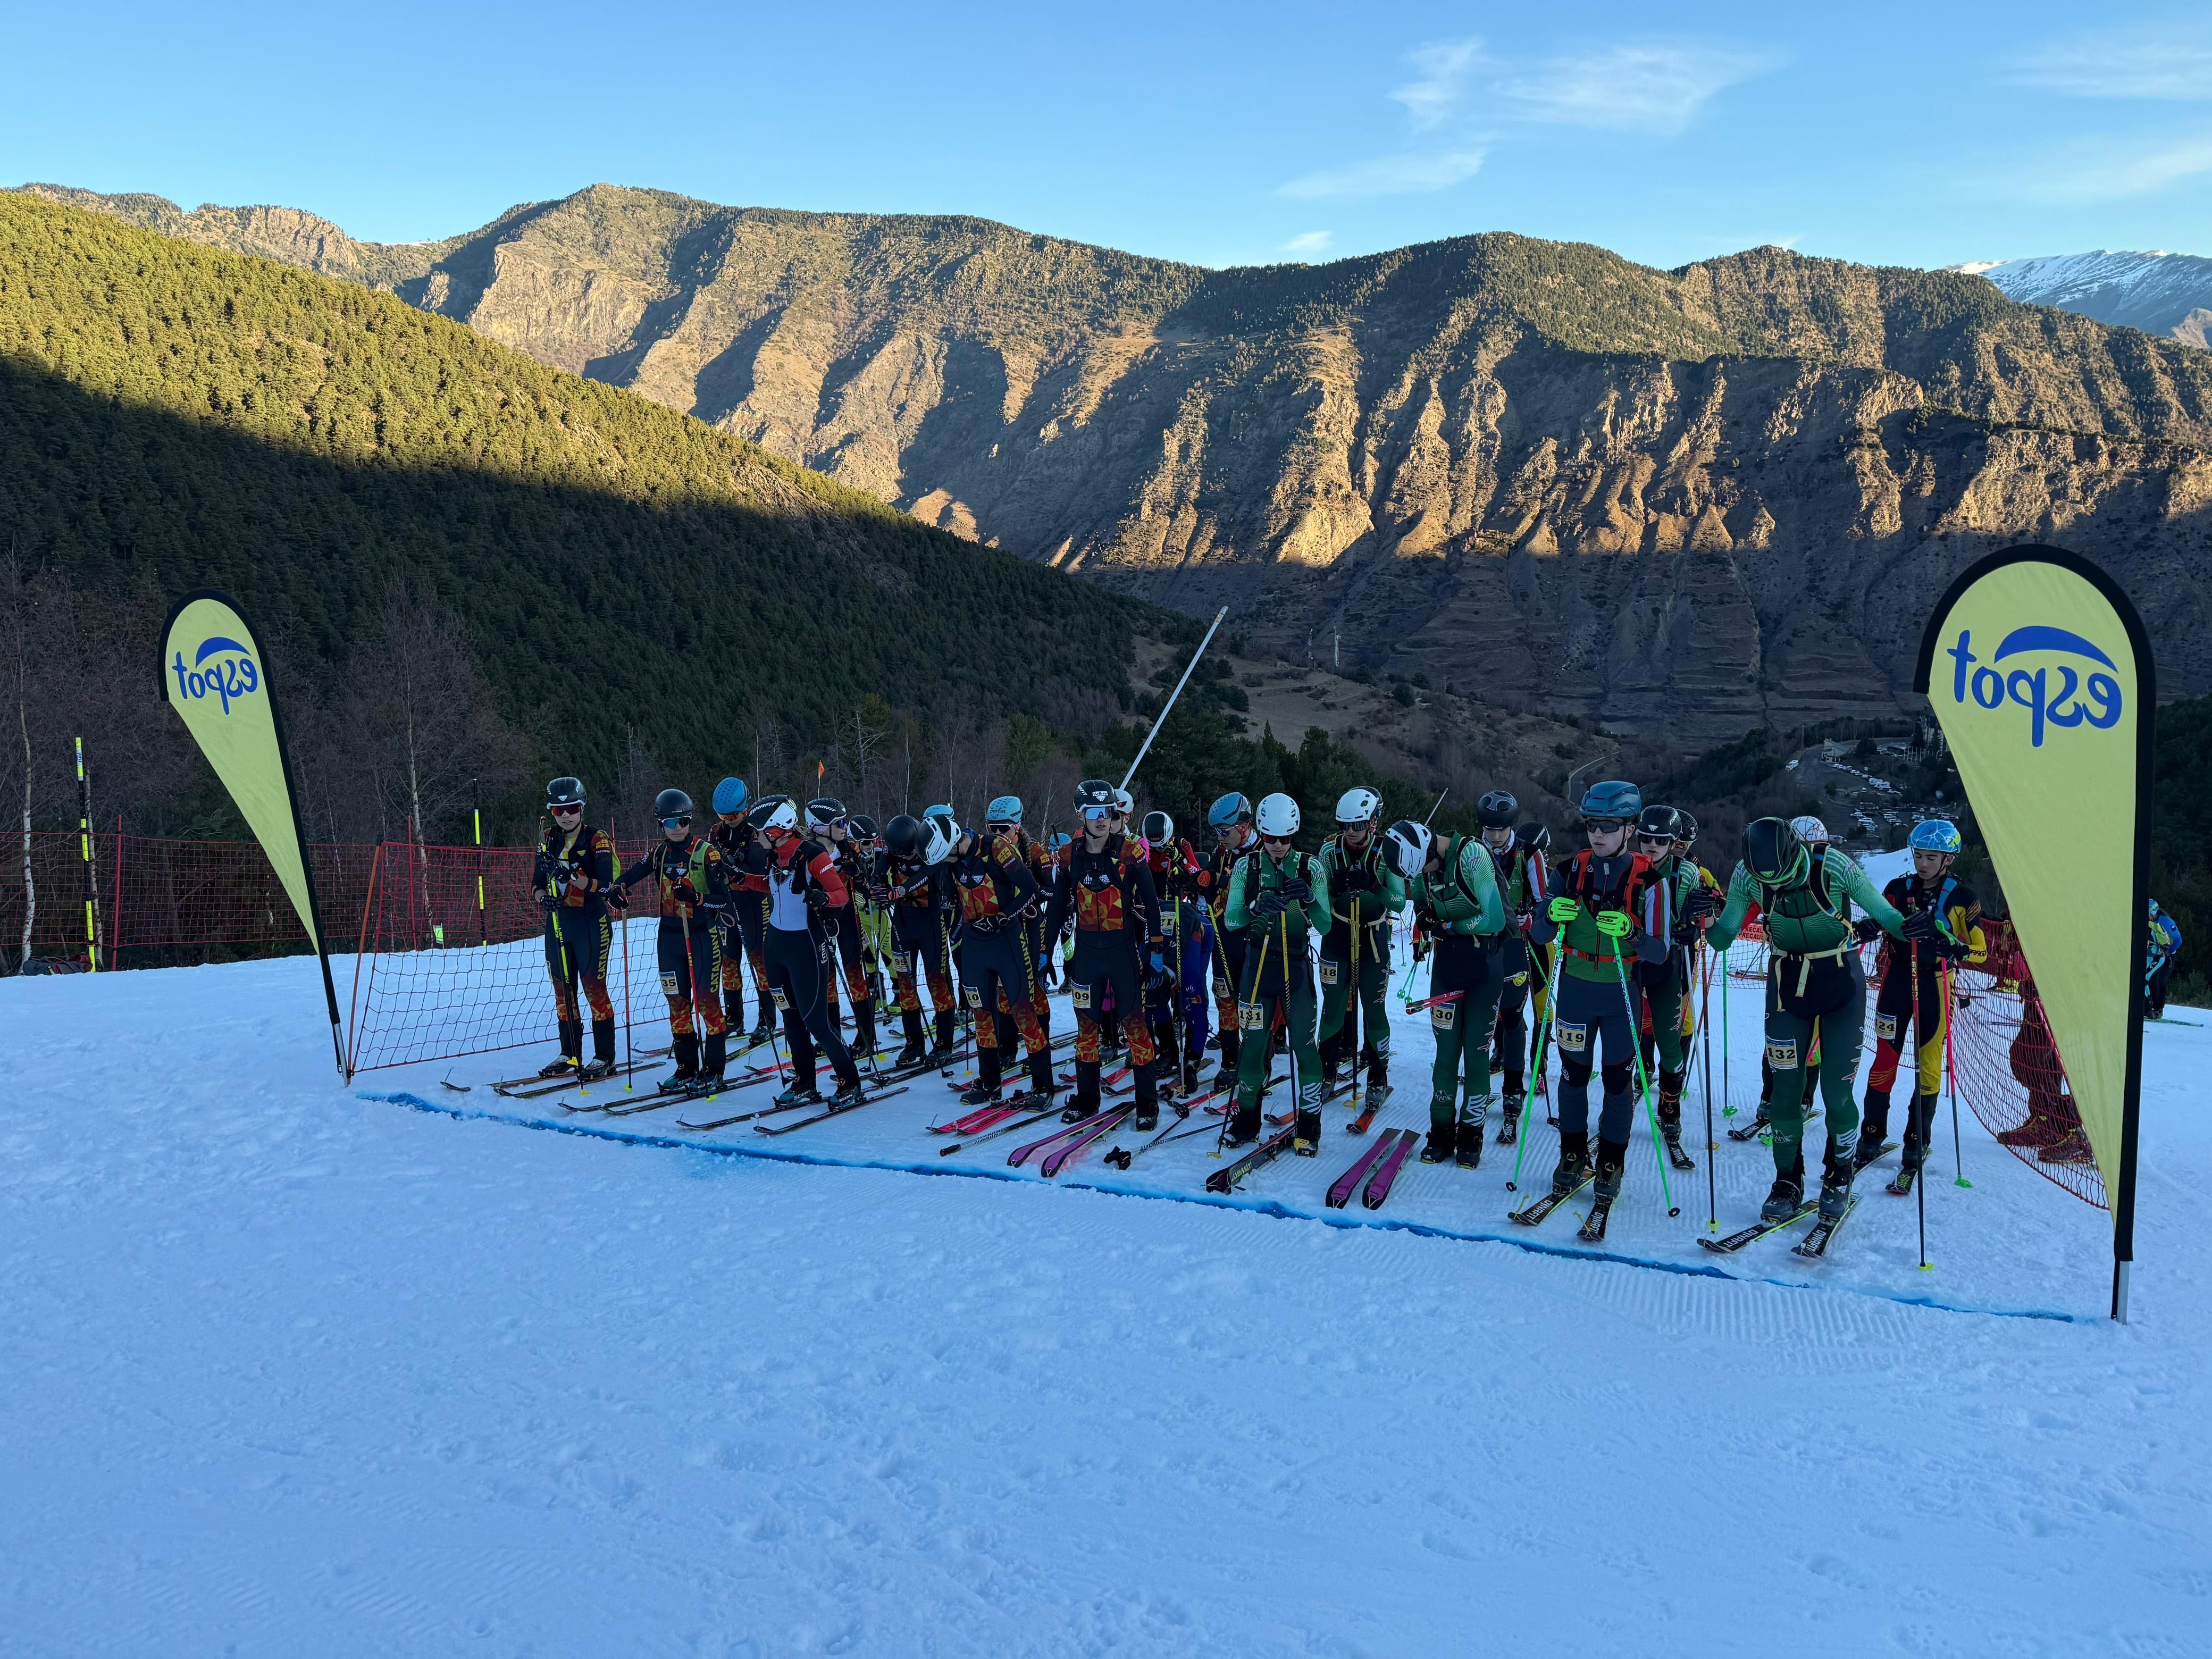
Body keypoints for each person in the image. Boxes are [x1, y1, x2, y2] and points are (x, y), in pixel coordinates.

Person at [1700, 816, 1915, 1225]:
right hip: (1786, 985)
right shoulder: (1748, 875)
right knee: (1785, 1091)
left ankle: (1839, 1174)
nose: (1775, 889)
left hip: (1840, 981)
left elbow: (1888, 918)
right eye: (1770, 884)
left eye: (1781, 879)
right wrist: (1707, 918)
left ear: (1795, 854)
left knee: (1836, 1092)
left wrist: (1920, 929)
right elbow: (1724, 937)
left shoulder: (1834, 866)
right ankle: (1787, 1180)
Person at [1527, 783, 1671, 1218]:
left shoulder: (1651, 880)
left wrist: (1632, 933)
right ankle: (1571, 1155)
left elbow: (1660, 952)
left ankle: (1611, 1162)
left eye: (1609, 826)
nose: (1598, 834)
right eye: (1592, 825)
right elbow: (1538, 935)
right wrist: (1548, 915)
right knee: (1572, 1076)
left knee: (1615, 1082)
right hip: (1574, 989)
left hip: (1621, 993)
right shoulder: (1568, 871)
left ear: (1629, 828)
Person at [1859, 818, 1984, 1180]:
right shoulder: (1898, 888)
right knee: (1885, 1058)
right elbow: (1879, 918)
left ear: (1949, 859)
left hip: (1936, 985)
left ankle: (1917, 1141)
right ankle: (1871, 1136)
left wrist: (1949, 943)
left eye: (1932, 857)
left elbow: (1980, 951)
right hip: (1897, 981)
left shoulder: (1964, 898)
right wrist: (1869, 926)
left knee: (1929, 1064)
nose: (1923, 863)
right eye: (1918, 855)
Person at [1043, 781, 1168, 1129]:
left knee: (1135, 1026)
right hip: (1086, 956)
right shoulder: (1069, 856)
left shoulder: (1130, 852)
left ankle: (1147, 1104)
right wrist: (1044, 950)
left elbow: (1153, 905)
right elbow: (1055, 909)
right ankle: (1086, 1100)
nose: (1102, 820)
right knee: (1087, 1029)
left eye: (1108, 813)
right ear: (1082, 815)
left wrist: (1156, 948)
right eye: (1095, 813)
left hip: (1122, 953)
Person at [1392, 802, 1510, 1166]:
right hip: (1447, 966)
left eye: (1424, 867)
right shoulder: (1420, 867)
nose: (1423, 875)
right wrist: (1427, 917)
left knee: (1475, 1055)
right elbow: (1423, 901)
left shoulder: (1472, 856)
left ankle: (1472, 1134)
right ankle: (1441, 1131)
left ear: (1431, 849)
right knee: (1444, 1056)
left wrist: (1452, 927)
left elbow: (1495, 917)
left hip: (1483, 968)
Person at [1222, 793, 1330, 1152]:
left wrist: (1311, 899)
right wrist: (1254, 907)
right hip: (1258, 970)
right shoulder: (1246, 867)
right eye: (1271, 838)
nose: (1280, 845)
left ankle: (1310, 1124)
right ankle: (1247, 1119)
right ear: (1261, 834)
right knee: (1252, 1047)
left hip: (1296, 969)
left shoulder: (1311, 867)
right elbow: (1231, 919)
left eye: (1286, 838)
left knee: (1303, 1046)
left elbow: (1327, 926)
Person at [605, 787, 732, 1090]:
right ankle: (686, 1067)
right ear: (660, 824)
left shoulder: (706, 852)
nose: (678, 829)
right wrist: (618, 890)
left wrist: (697, 897)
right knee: (677, 1003)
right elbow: (631, 875)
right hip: (669, 938)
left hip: (702, 936)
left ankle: (713, 1069)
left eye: (684, 821)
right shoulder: (659, 853)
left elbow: (723, 900)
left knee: (707, 1002)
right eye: (671, 823)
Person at [753, 795, 866, 1107]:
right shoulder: (774, 856)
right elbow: (772, 886)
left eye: (759, 831)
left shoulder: (813, 854)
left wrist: (822, 898)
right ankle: (804, 1081)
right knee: (790, 1018)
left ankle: (850, 1083)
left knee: (817, 1022)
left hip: (806, 946)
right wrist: (740, 879)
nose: (756, 836)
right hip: (775, 946)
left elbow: (841, 894)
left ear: (776, 830)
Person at [944, 808, 1057, 1107]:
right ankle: (990, 1083)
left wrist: (1004, 916)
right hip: (975, 945)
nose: (945, 864)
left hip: (1008, 941)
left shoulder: (997, 848)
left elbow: (1033, 888)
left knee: (1023, 1010)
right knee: (982, 1014)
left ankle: (1043, 1085)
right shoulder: (949, 859)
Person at [1314, 787, 1405, 1112]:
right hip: (1337, 937)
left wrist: (1374, 885)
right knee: (1333, 1004)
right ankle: (1325, 1073)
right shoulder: (1328, 852)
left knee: (1374, 1007)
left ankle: (1378, 1076)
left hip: (1372, 940)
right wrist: (1330, 888)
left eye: (1358, 825)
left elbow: (1399, 900)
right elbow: (1319, 901)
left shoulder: (1386, 852)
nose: (1351, 832)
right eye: (1345, 826)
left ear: (1373, 822)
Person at [531, 776, 618, 1079]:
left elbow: (605, 886)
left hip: (591, 923)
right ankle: (570, 1053)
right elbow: (537, 884)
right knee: (562, 990)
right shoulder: (548, 839)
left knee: (594, 987)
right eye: (558, 810)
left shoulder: (598, 840)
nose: (565, 815)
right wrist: (544, 900)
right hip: (558, 923)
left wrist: (570, 876)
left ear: (582, 809)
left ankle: (605, 1055)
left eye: (571, 809)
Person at [1631, 804, 1700, 1170]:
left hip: (1668, 966)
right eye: (1646, 838)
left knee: (1670, 1044)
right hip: (1628, 965)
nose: (1652, 846)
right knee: (1627, 1036)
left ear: (1674, 843)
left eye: (1661, 840)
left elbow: (1710, 912)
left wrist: (1696, 921)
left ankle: (1669, 1112)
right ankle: (1624, 1095)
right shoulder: (1625, 865)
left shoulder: (1686, 871)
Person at [875, 813, 960, 1067]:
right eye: (901, 855)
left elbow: (924, 874)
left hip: (931, 923)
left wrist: (899, 890)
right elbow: (878, 873)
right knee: (906, 985)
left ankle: (944, 1043)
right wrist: (877, 886)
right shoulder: (892, 853)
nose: (907, 857)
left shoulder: (930, 851)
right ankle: (914, 1043)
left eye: (910, 852)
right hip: (903, 923)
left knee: (936, 981)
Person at [1491, 817, 1554, 1142]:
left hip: (1539, 942)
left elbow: (1549, 902)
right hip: (1512, 939)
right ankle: (1501, 1053)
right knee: (1507, 1000)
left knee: (1542, 1004)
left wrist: (1531, 915)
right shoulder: (1507, 855)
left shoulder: (1535, 861)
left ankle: (1539, 1066)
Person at [1143, 809, 1214, 1095]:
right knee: (1153, 990)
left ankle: (1193, 1057)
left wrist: (1183, 866)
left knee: (1191, 991)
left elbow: (1199, 877)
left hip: (1188, 924)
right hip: (1156, 922)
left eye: (1162, 844)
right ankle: (1170, 1050)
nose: (1158, 848)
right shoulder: (1144, 851)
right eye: (1154, 844)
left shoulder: (1181, 848)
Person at [806, 798, 881, 1060]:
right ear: (820, 827)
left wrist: (858, 874)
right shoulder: (808, 851)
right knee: (826, 981)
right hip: (819, 920)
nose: (845, 826)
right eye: (839, 822)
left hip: (848, 919)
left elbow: (865, 888)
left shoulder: (848, 848)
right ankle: (832, 1035)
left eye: (845, 821)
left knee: (855, 976)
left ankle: (866, 1036)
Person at [709, 777, 776, 1050]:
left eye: (734, 814)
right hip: (728, 904)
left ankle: (767, 1019)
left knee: (759, 960)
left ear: (745, 809)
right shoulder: (717, 832)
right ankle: (734, 1018)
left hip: (754, 902)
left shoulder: (756, 831)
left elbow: (759, 869)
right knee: (729, 960)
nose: (729, 819)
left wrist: (733, 867)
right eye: (723, 815)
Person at [1202, 792, 1258, 1087]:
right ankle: (1230, 1060)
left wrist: (1220, 881)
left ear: (1244, 827)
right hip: (1224, 937)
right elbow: (1210, 875)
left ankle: (1257, 1057)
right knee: (1224, 996)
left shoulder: (1265, 850)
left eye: (1225, 831)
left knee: (1252, 1002)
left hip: (1253, 940)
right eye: (1217, 832)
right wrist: (1201, 879)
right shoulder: (1222, 850)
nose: (1221, 837)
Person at [2148, 899, 2183, 1021]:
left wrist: (2168, 952)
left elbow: (2178, 940)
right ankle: (2151, 1006)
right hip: (2155, 955)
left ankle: (2159, 1009)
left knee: (2161, 980)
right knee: (2151, 979)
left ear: (2153, 913)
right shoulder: (2149, 922)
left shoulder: (2166, 922)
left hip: (2168, 956)